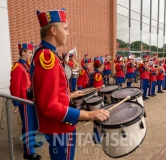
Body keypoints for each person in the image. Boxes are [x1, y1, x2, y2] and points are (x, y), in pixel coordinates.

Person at [32, 9, 109, 160]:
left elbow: (50, 92)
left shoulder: (45, 53)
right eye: (65, 29)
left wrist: (70, 94)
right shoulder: (47, 57)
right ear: (53, 30)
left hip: (57, 124)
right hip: (60, 126)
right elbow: (49, 106)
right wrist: (87, 114)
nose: (68, 33)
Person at [9, 42, 41, 160]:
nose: (31, 54)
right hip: (24, 101)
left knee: (32, 124)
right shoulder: (17, 67)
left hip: (30, 99)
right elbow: (14, 86)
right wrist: (16, 104)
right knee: (27, 126)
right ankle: (28, 152)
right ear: (23, 52)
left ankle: (31, 143)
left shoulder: (26, 66)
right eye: (29, 52)